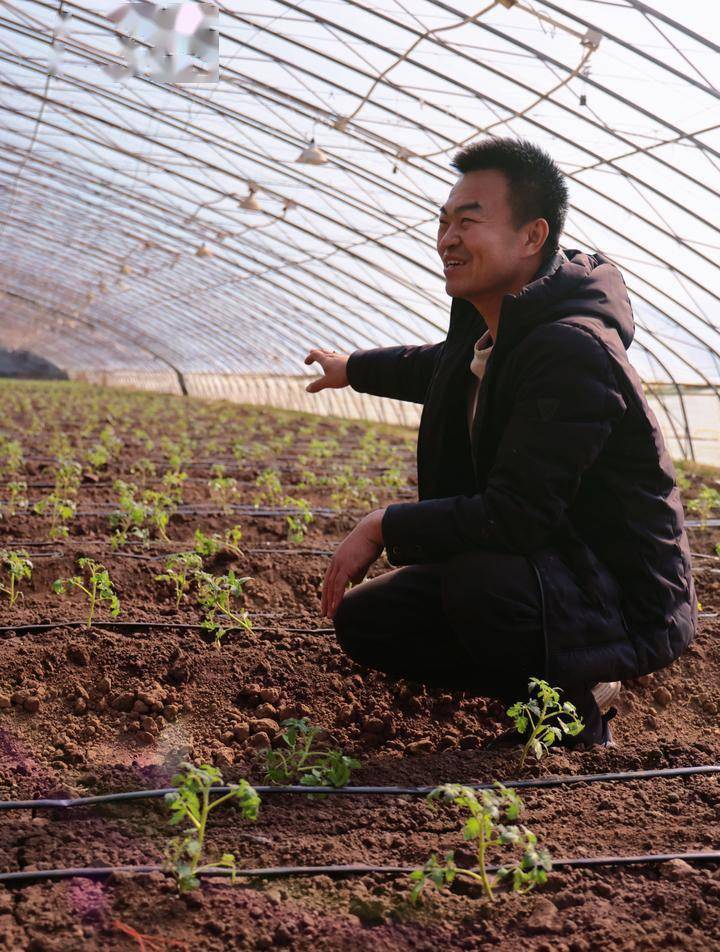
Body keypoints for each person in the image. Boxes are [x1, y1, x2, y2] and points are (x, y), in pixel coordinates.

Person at [303, 137, 697, 750]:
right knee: (371, 621)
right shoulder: (496, 331)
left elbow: (515, 517)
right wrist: (350, 368)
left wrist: (383, 525)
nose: (448, 237)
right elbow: (430, 366)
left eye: (469, 220)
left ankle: (576, 705)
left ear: (532, 236)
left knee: (481, 583)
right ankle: (541, 689)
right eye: (443, 221)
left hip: (626, 599)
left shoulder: (571, 349)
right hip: (557, 570)